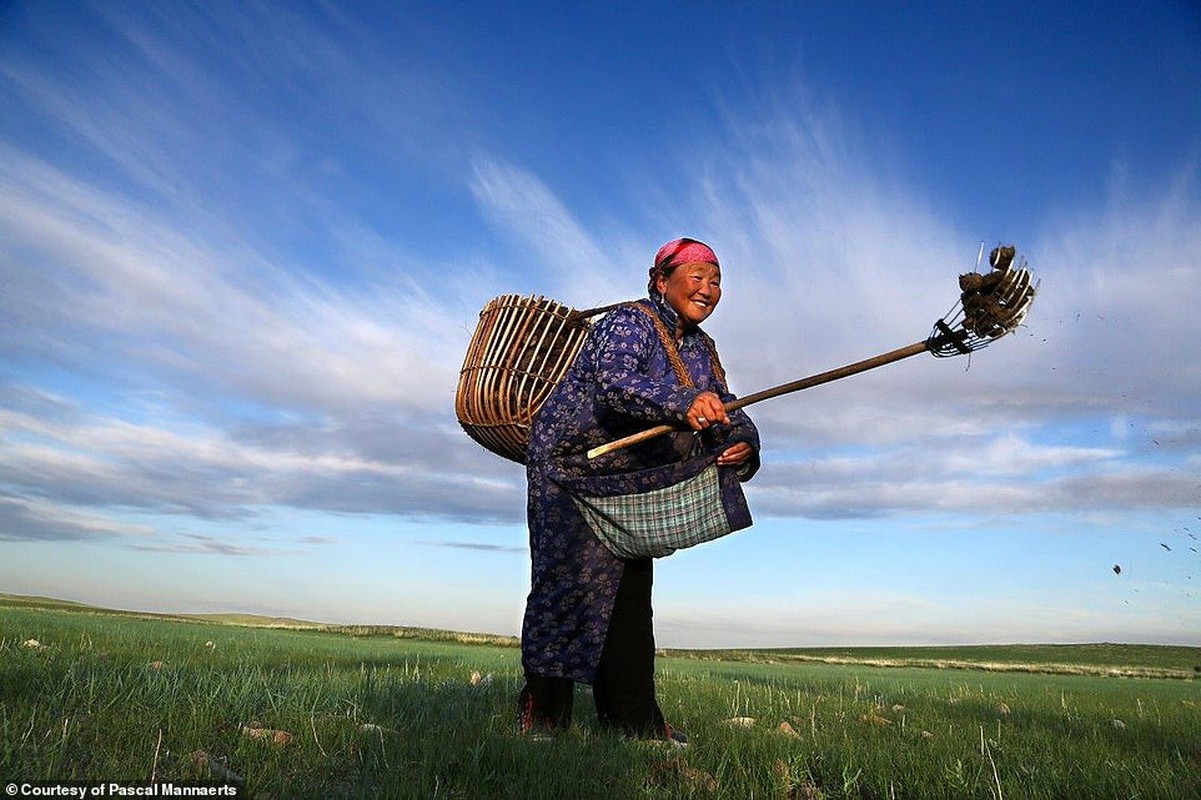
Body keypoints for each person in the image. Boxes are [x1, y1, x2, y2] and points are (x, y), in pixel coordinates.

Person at [518, 237, 760, 743]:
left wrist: (742, 441)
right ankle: (543, 717)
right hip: (568, 469)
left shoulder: (702, 350)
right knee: (565, 588)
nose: (708, 289)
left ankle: (633, 723)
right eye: (696, 277)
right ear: (660, 281)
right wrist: (685, 402)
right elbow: (615, 382)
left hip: (624, 485)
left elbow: (724, 405)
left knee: (630, 597)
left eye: (715, 281)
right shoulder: (630, 323)